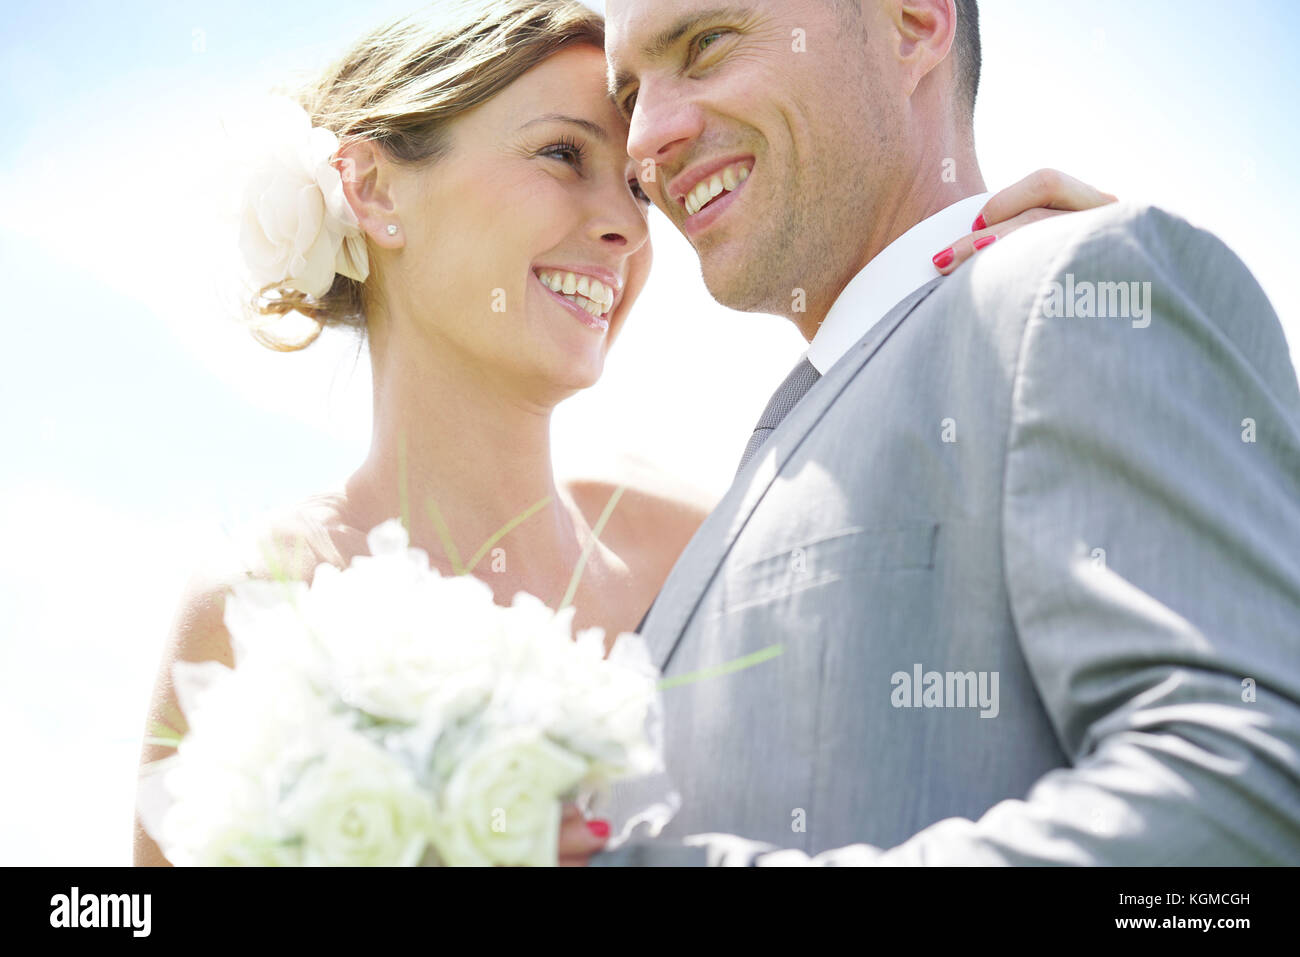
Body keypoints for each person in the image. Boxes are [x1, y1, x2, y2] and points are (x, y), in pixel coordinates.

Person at [133, 0, 1119, 866]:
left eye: (637, 188)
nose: (626, 226)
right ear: (376, 190)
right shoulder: (249, 608)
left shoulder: (702, 541)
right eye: (563, 156)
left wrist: (1000, 304)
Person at [598, 0, 1300, 865]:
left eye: (706, 43)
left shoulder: (1073, 292)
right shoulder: (777, 442)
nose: (642, 138)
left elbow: (1256, 803)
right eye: (628, 92)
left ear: (913, 22)